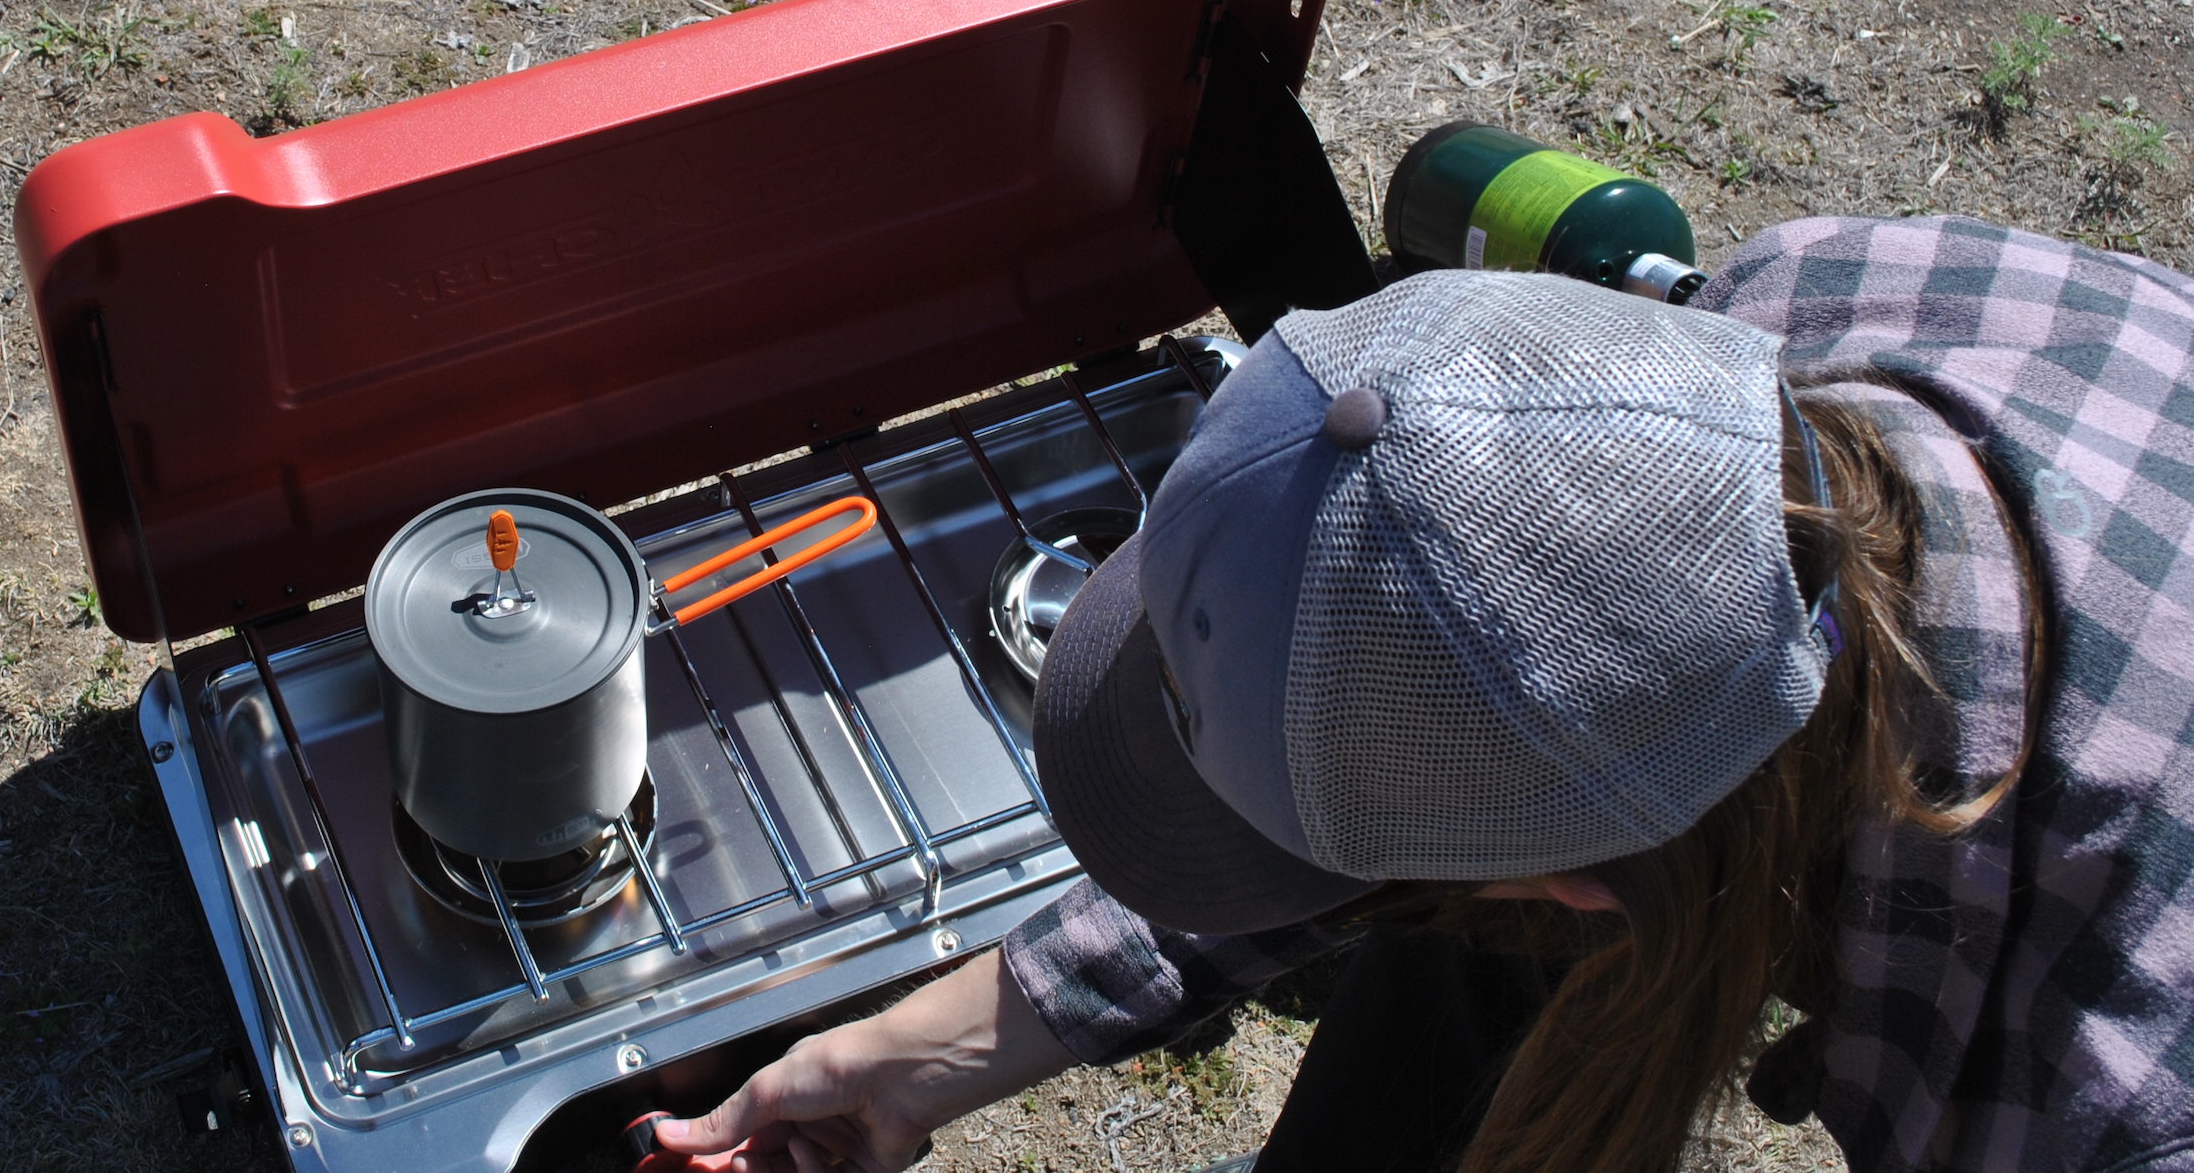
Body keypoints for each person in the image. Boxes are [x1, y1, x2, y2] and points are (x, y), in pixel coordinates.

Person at [652, 215, 2194, 1173]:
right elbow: (1421, 736)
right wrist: (930, 1047)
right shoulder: (1790, 325)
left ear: (1586, 888)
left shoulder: (2103, 1087)